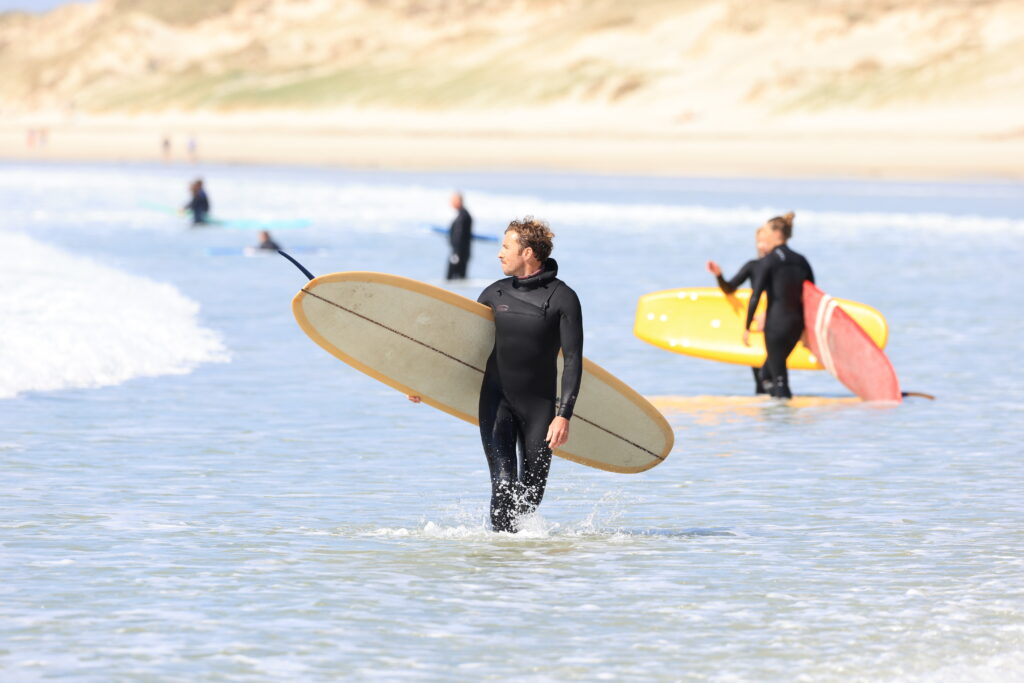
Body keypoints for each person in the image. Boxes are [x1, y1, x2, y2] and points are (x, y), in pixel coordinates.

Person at [410, 217, 584, 533]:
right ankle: (500, 565)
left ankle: (519, 561)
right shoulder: (495, 294)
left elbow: (572, 360)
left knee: (530, 496)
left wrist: (563, 416)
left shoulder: (562, 298)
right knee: (503, 486)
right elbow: (464, 350)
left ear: (528, 252)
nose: (499, 253)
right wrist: (426, 384)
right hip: (496, 401)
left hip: (539, 409)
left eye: (506, 246)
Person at [742, 212, 814, 399]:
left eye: (765, 231)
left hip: (776, 325)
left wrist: (747, 327)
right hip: (795, 325)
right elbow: (810, 299)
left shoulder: (769, 261)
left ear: (776, 234)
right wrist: (807, 330)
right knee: (767, 373)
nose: (763, 235)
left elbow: (755, 296)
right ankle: (776, 418)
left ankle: (784, 420)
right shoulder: (802, 260)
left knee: (779, 378)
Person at [707, 226, 772, 394]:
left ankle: (777, 413)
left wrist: (768, 313)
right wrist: (719, 275)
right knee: (760, 379)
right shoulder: (753, 266)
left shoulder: (781, 267)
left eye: (764, 241)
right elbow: (729, 288)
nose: (760, 245)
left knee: (770, 375)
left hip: (776, 324)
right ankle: (769, 415)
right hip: (756, 328)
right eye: (758, 241)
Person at [446, 192, 473, 280]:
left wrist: (456, 253)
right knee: (457, 278)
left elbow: (460, 236)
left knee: (454, 278)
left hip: (459, 253)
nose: (450, 203)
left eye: (452, 201)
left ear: (458, 201)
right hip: (459, 252)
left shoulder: (463, 216)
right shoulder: (462, 214)